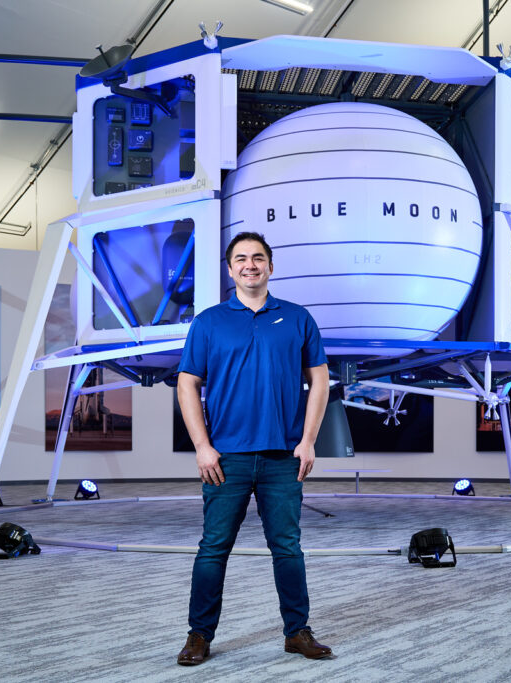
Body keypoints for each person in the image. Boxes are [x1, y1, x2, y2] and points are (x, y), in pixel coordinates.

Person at [175, 231, 333, 666]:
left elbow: (320, 379)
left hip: (284, 457)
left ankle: (297, 632)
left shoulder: (298, 319)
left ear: (270, 266)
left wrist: (308, 440)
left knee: (288, 548)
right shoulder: (208, 322)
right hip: (225, 458)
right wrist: (202, 446)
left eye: (258, 258)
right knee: (213, 549)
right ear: (230, 269)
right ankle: (198, 636)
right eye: (241, 258)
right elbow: (187, 383)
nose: (250, 264)